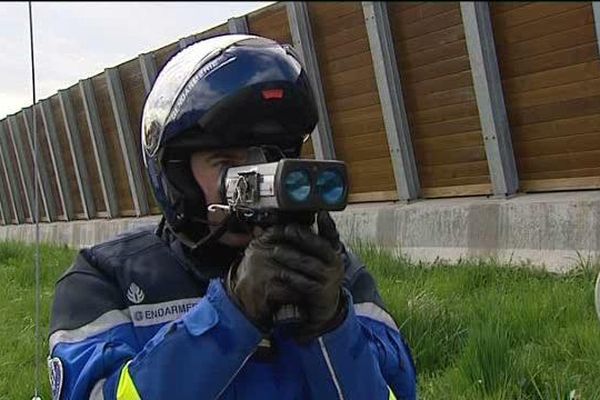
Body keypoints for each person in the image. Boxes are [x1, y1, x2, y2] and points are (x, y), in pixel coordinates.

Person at [48, 34, 417, 400]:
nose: (256, 176)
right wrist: (229, 315)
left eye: (269, 157)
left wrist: (332, 326)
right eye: (226, 162)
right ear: (176, 176)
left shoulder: (339, 274)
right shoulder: (106, 279)